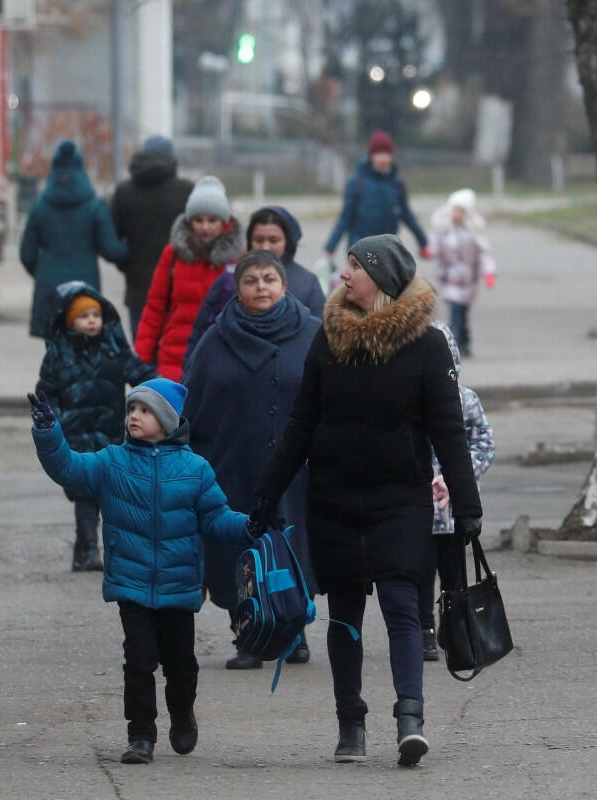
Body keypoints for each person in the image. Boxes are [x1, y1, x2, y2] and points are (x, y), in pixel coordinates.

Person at [251, 234, 482, 767]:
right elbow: (301, 423)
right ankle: (350, 724)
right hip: (333, 500)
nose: (343, 276)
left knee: (404, 607)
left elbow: (449, 432)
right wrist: (267, 492)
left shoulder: (426, 344)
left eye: (355, 266)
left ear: (384, 277)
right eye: (346, 265)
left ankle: (410, 718)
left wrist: (467, 508)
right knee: (345, 616)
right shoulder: (327, 339)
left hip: (400, 499)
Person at [28, 377, 254, 766]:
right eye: (132, 409)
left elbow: (216, 518)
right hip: (131, 585)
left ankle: (182, 713)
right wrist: (49, 432)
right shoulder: (111, 461)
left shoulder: (195, 469)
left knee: (181, 663)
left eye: (145, 410)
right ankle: (140, 735)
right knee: (138, 659)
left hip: (180, 584)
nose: (135, 416)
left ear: (167, 420)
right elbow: (69, 469)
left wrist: (251, 526)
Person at [181, 250, 322, 670]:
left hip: (299, 468)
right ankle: (248, 634)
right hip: (232, 462)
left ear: (283, 286)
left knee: (296, 543)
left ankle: (294, 631)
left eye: (269, 279)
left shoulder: (314, 332)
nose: (261, 287)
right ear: (238, 289)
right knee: (237, 549)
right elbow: (194, 399)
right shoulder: (216, 338)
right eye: (251, 281)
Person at [35, 281, 157, 572]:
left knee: (113, 493)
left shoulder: (114, 351)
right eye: (83, 316)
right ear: (68, 321)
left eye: (96, 315)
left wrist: (160, 393)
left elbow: (141, 375)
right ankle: (88, 547)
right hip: (75, 436)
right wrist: (54, 418)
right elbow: (47, 391)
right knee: (86, 491)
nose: (91, 321)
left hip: (110, 434)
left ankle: (105, 549)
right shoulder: (58, 356)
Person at [419, 321, 495, 661]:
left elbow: (483, 444)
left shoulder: (466, 399)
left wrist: (456, 479)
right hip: (416, 504)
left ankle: (456, 622)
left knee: (454, 571)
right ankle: (423, 628)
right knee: (418, 571)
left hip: (452, 508)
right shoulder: (405, 400)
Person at [183, 205, 325, 371]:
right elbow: (200, 334)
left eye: (273, 240)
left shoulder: (307, 283)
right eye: (259, 240)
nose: (265, 247)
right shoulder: (229, 278)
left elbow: (320, 343)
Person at [133, 175, 243, 381]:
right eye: (198, 220)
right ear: (189, 221)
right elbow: (154, 308)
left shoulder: (239, 259)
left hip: (222, 359)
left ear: (224, 222)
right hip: (174, 360)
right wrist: (141, 359)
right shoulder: (173, 254)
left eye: (212, 220)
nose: (205, 227)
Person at [20, 140, 128, 338]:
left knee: (55, 349)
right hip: (84, 284)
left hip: (49, 284)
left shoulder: (40, 206)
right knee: (85, 346)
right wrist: (131, 249)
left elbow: (27, 253)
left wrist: (42, 272)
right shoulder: (94, 205)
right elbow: (110, 250)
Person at [109, 135, 195, 338]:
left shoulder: (124, 192)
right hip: (180, 286)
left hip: (139, 288)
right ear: (172, 159)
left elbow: (111, 240)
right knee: (176, 355)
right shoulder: (187, 191)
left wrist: (127, 263)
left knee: (143, 353)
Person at [323, 130, 430, 263]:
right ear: (371, 156)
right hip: (360, 248)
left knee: (386, 282)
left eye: (386, 154)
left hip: (387, 249)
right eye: (378, 154)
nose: (382, 158)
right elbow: (345, 217)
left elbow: (407, 215)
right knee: (365, 281)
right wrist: (330, 248)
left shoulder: (397, 183)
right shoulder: (357, 182)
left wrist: (423, 243)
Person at [428, 188, 495, 358]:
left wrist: (489, 272)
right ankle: (454, 345)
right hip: (450, 278)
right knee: (455, 314)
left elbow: (483, 253)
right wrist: (428, 251)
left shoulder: (473, 231)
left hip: (469, 281)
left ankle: (465, 341)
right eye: (455, 210)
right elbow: (434, 246)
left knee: (463, 314)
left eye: (461, 211)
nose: (457, 214)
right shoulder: (443, 228)